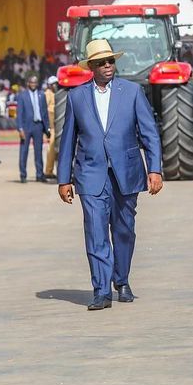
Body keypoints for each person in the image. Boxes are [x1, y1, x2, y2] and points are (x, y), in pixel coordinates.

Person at [57, 39, 163, 311]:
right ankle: (101, 290)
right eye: (102, 62)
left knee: (124, 231)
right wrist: (63, 179)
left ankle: (122, 280)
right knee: (95, 232)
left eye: (111, 61)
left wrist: (155, 169)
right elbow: (67, 140)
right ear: (91, 66)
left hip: (126, 173)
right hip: (90, 174)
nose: (107, 65)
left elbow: (150, 133)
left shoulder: (132, 92)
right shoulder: (76, 97)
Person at [15, 74, 50, 183]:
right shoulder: (22, 96)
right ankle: (23, 175)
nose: (33, 84)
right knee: (24, 151)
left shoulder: (41, 95)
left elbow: (45, 112)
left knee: (38, 152)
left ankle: (39, 174)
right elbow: (19, 113)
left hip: (38, 126)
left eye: (35, 82)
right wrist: (20, 128)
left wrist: (47, 128)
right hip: (26, 126)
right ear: (28, 83)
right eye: (31, 82)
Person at [43, 76, 58, 181]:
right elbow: (45, 111)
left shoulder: (58, 93)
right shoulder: (47, 94)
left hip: (58, 125)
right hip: (52, 127)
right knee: (51, 149)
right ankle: (48, 171)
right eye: (53, 84)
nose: (55, 86)